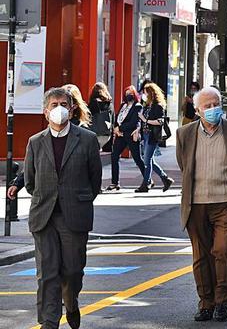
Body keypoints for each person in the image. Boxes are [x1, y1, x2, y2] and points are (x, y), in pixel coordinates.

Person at [11, 88, 102, 329]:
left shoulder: (88, 140)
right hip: (44, 216)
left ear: (72, 109)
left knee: (72, 271)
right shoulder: (35, 142)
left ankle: (70, 303)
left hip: (74, 216)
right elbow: (30, 181)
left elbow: (95, 181)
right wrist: (47, 198)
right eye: (54, 104)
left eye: (64, 103)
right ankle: (49, 322)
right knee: (47, 273)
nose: (59, 108)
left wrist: (76, 200)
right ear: (45, 111)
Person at [176, 87, 227, 322]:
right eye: (207, 106)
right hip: (196, 203)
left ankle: (223, 301)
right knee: (201, 255)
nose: (212, 110)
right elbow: (185, 166)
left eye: (216, 104)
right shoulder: (185, 134)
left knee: (223, 249)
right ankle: (206, 302)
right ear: (198, 110)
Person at [106, 86, 147, 192]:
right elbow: (117, 117)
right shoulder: (123, 105)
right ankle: (115, 182)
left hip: (131, 135)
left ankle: (148, 179)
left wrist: (120, 128)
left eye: (130, 93)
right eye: (126, 93)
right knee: (114, 156)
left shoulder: (137, 106)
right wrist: (116, 129)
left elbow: (133, 122)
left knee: (137, 158)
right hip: (120, 136)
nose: (128, 95)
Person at [137, 82, 174, 193]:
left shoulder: (158, 106)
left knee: (147, 161)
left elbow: (160, 121)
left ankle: (146, 183)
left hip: (153, 135)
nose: (144, 94)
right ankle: (165, 178)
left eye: (145, 92)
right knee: (149, 160)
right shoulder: (147, 105)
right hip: (146, 135)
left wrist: (145, 120)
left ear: (151, 93)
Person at [86, 82, 114, 150]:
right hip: (106, 135)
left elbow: (87, 119)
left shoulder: (92, 104)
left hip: (94, 134)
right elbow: (112, 121)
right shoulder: (110, 104)